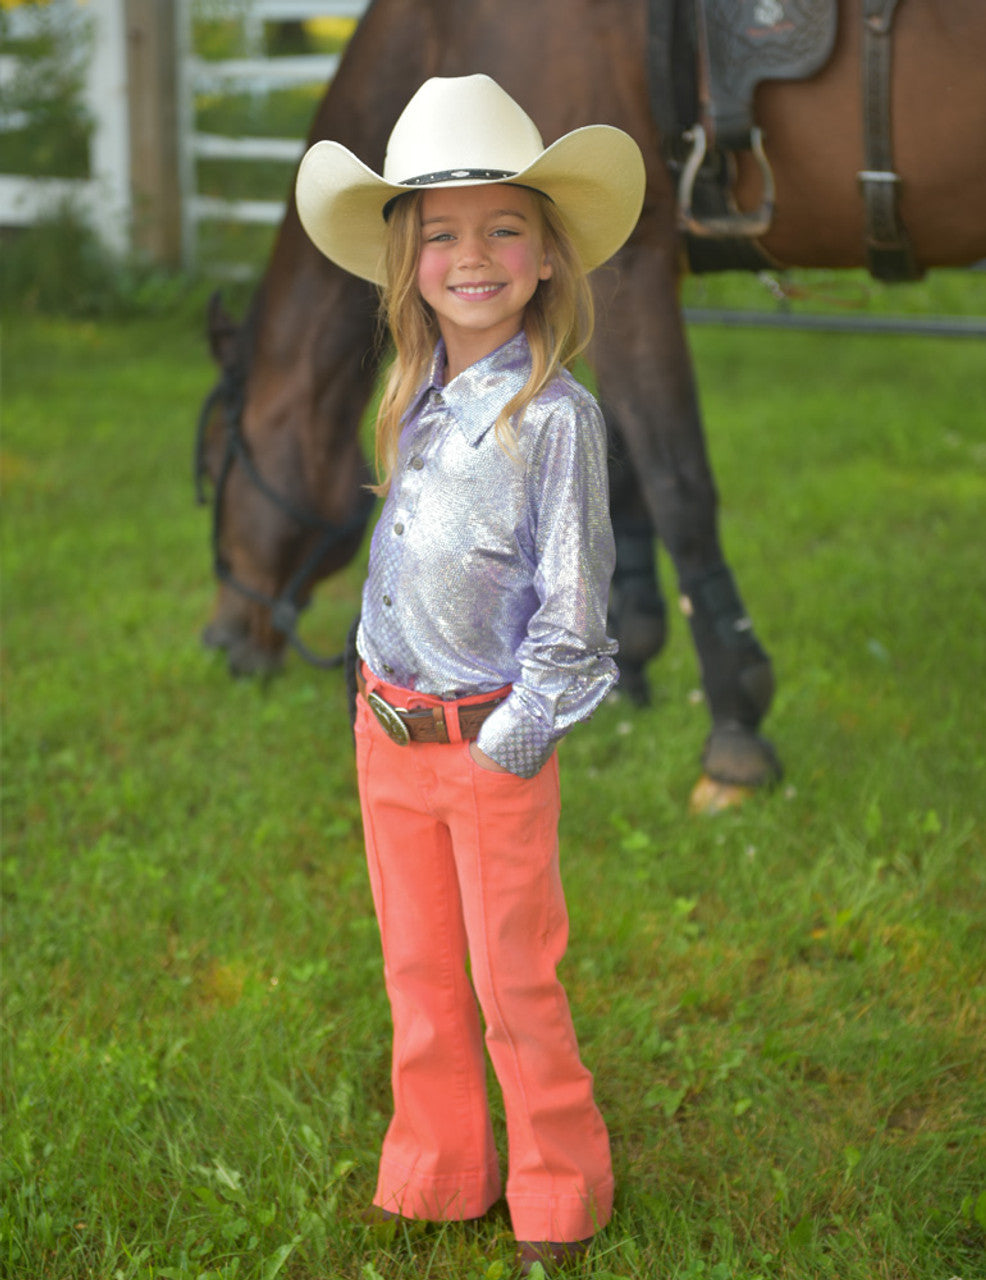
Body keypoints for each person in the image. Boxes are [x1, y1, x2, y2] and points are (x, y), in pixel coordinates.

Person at [295, 74, 645, 1275]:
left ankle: (558, 1186)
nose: (473, 254)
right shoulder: (414, 397)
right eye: (441, 232)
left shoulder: (554, 419)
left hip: (487, 739)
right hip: (385, 733)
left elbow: (573, 608)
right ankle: (439, 1167)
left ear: (547, 255)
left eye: (504, 226)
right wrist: (367, 692)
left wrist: (517, 730)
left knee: (511, 979)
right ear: (407, 261)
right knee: (418, 969)